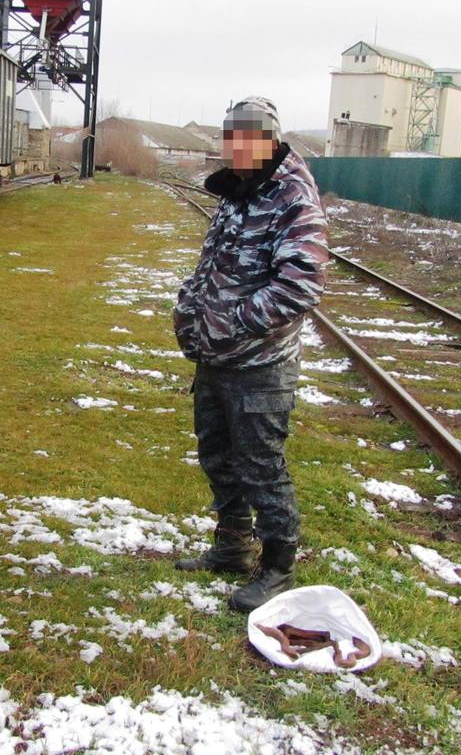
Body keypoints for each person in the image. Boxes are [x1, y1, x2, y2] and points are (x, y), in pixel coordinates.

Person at [172, 97, 329, 613]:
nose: (236, 147)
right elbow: (211, 263)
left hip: (260, 366)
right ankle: (232, 548)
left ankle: (278, 565)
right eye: (230, 137)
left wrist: (230, 324)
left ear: (270, 140)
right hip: (216, 357)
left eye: (248, 137)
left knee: (261, 464)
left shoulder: (292, 197)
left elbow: (300, 287)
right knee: (218, 457)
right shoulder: (237, 191)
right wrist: (189, 311)